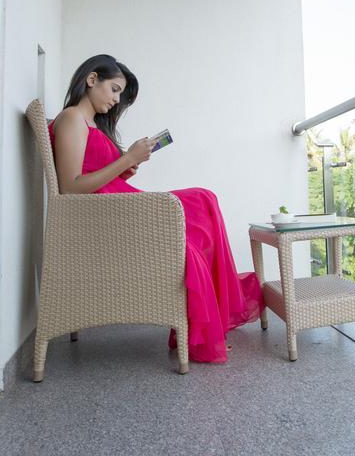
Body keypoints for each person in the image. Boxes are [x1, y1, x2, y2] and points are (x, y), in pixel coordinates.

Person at [49, 54, 262, 363]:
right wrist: (125, 159)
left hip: (122, 207)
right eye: (115, 89)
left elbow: (90, 173)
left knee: (204, 200)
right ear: (92, 79)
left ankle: (211, 314)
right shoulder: (71, 118)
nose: (117, 100)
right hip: (109, 219)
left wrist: (124, 168)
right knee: (202, 200)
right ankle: (207, 321)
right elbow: (70, 187)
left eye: (120, 94)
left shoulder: (90, 123)